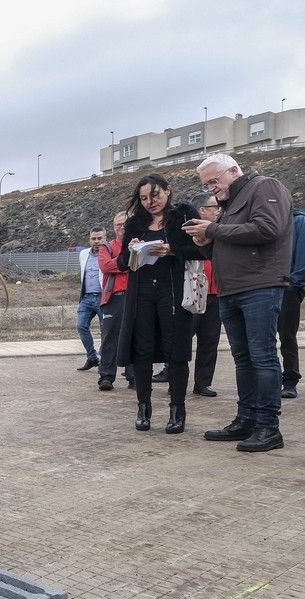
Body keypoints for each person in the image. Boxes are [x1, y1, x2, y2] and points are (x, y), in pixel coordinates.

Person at [183, 154, 293, 452]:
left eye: (214, 181)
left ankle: (268, 427)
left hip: (260, 286)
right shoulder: (231, 203)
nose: (211, 188)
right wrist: (207, 244)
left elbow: (268, 229)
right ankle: (246, 419)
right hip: (233, 289)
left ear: (234, 170)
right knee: (244, 359)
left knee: (262, 356)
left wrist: (213, 230)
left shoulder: (265, 187)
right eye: (206, 184)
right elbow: (230, 247)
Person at [114, 174, 202, 435]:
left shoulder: (183, 215)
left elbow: (202, 250)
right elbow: (121, 263)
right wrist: (132, 252)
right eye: (143, 198)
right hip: (141, 293)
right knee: (142, 350)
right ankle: (144, 407)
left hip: (173, 292)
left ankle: (177, 410)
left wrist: (172, 249)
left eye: (155, 195)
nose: (150, 202)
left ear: (168, 191)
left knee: (176, 351)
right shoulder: (134, 224)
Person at [186, 192, 223, 397]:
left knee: (210, 341)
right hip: (192, 294)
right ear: (201, 210)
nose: (217, 211)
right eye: (213, 207)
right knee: (182, 339)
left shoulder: (220, 231)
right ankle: (173, 376)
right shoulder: (187, 231)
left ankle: (203, 383)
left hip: (216, 294)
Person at [279, 207, 305, 398]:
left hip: (288, 290)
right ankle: (269, 380)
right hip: (263, 287)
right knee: (261, 340)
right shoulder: (266, 221)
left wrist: (293, 285)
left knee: (287, 337)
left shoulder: (300, 223)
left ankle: (290, 380)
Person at [97, 212, 133, 390]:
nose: (121, 227)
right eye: (118, 224)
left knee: (135, 336)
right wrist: (128, 264)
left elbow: (142, 266)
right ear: (113, 227)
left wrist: (117, 264)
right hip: (114, 298)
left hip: (135, 297)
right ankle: (106, 376)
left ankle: (134, 376)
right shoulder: (106, 247)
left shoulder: (138, 244)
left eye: (125, 224)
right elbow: (105, 266)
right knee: (109, 338)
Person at [75, 228, 105, 372]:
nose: (97, 241)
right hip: (86, 297)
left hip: (102, 297)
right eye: (94, 238)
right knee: (81, 326)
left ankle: (104, 360)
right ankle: (92, 357)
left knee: (106, 330)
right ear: (89, 240)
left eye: (100, 238)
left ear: (105, 238)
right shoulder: (83, 254)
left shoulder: (108, 252)